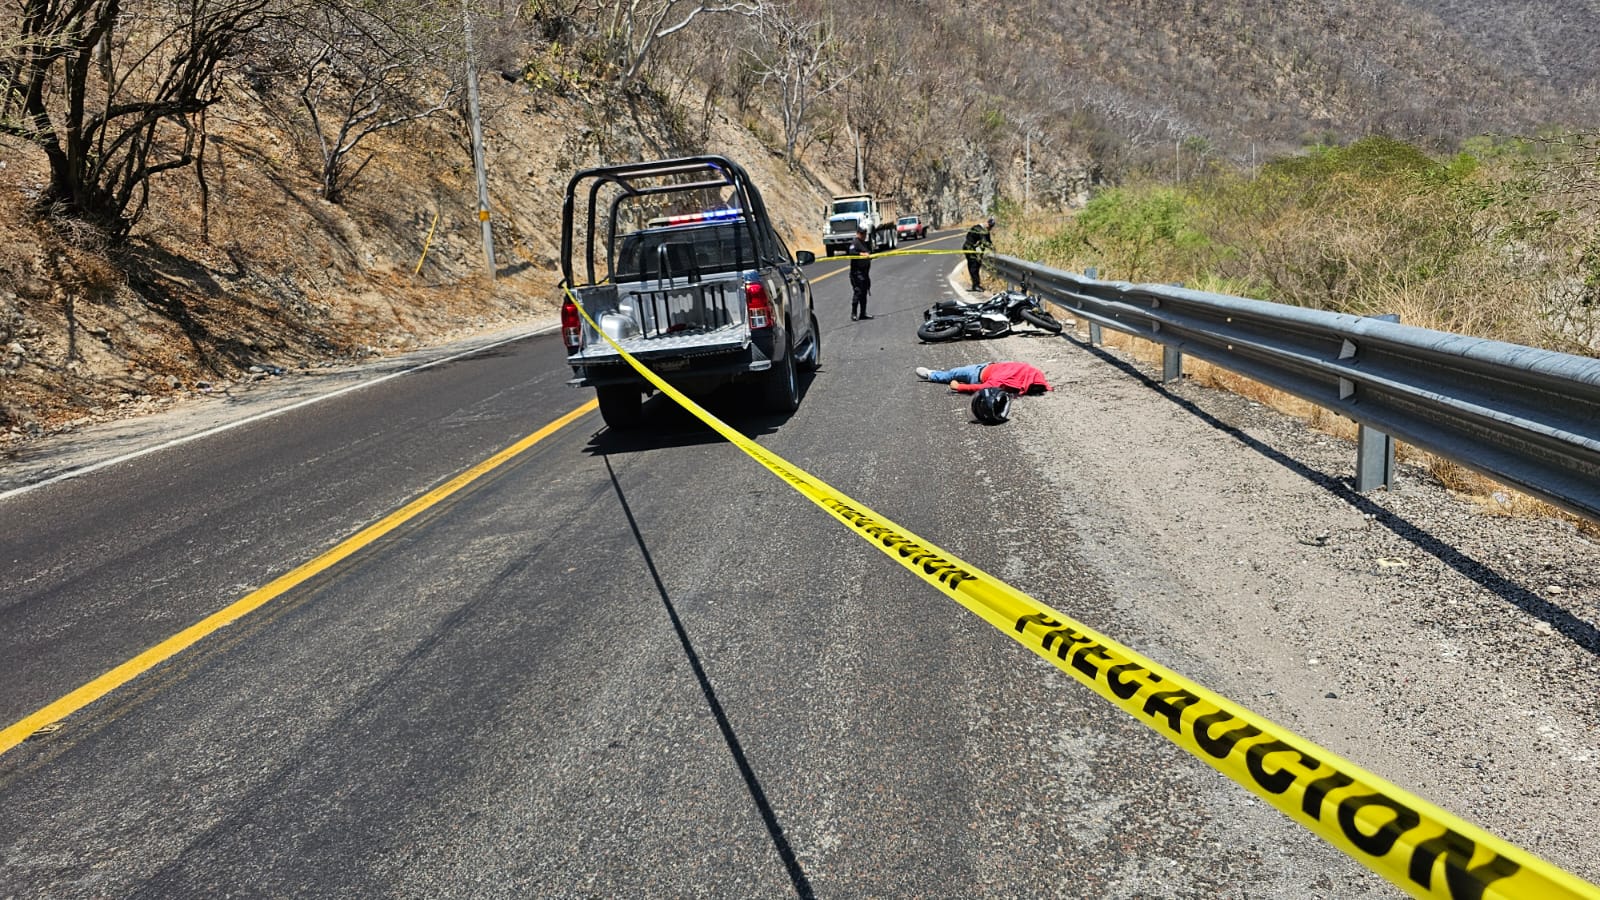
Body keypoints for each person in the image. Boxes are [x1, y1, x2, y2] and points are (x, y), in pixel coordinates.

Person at [915, 360, 1051, 395]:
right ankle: (932, 374)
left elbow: (983, 387)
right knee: (955, 373)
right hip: (990, 367)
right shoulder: (1036, 376)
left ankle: (931, 375)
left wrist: (959, 387)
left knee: (952, 374)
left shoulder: (1035, 373)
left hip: (976, 374)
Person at [962, 217, 995, 292]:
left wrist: (993, 248)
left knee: (976, 265)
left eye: (991, 227)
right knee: (974, 266)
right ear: (986, 223)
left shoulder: (985, 231)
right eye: (989, 226)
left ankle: (976, 284)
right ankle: (975, 285)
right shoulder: (978, 229)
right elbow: (984, 242)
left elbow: (988, 242)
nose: (990, 228)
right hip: (970, 249)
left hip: (975, 250)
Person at [848, 224, 873, 320]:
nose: (864, 235)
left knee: (864, 293)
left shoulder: (864, 243)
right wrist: (861, 254)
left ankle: (863, 313)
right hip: (856, 273)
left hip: (865, 273)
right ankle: (853, 313)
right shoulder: (855, 243)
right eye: (862, 233)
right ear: (858, 233)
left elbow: (869, 252)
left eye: (865, 233)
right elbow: (851, 253)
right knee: (858, 292)